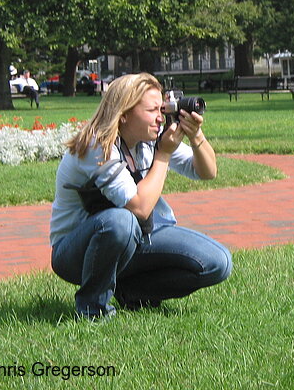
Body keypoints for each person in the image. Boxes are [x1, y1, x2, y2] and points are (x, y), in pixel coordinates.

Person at [49, 72, 231, 319]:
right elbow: (140, 208)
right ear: (123, 115)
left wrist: (195, 135)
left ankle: (133, 292)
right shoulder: (98, 145)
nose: (161, 117)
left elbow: (207, 171)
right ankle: (93, 308)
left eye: (162, 108)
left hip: (137, 238)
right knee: (120, 221)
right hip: (76, 252)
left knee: (218, 262)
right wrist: (163, 155)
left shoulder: (149, 138)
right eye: (152, 110)